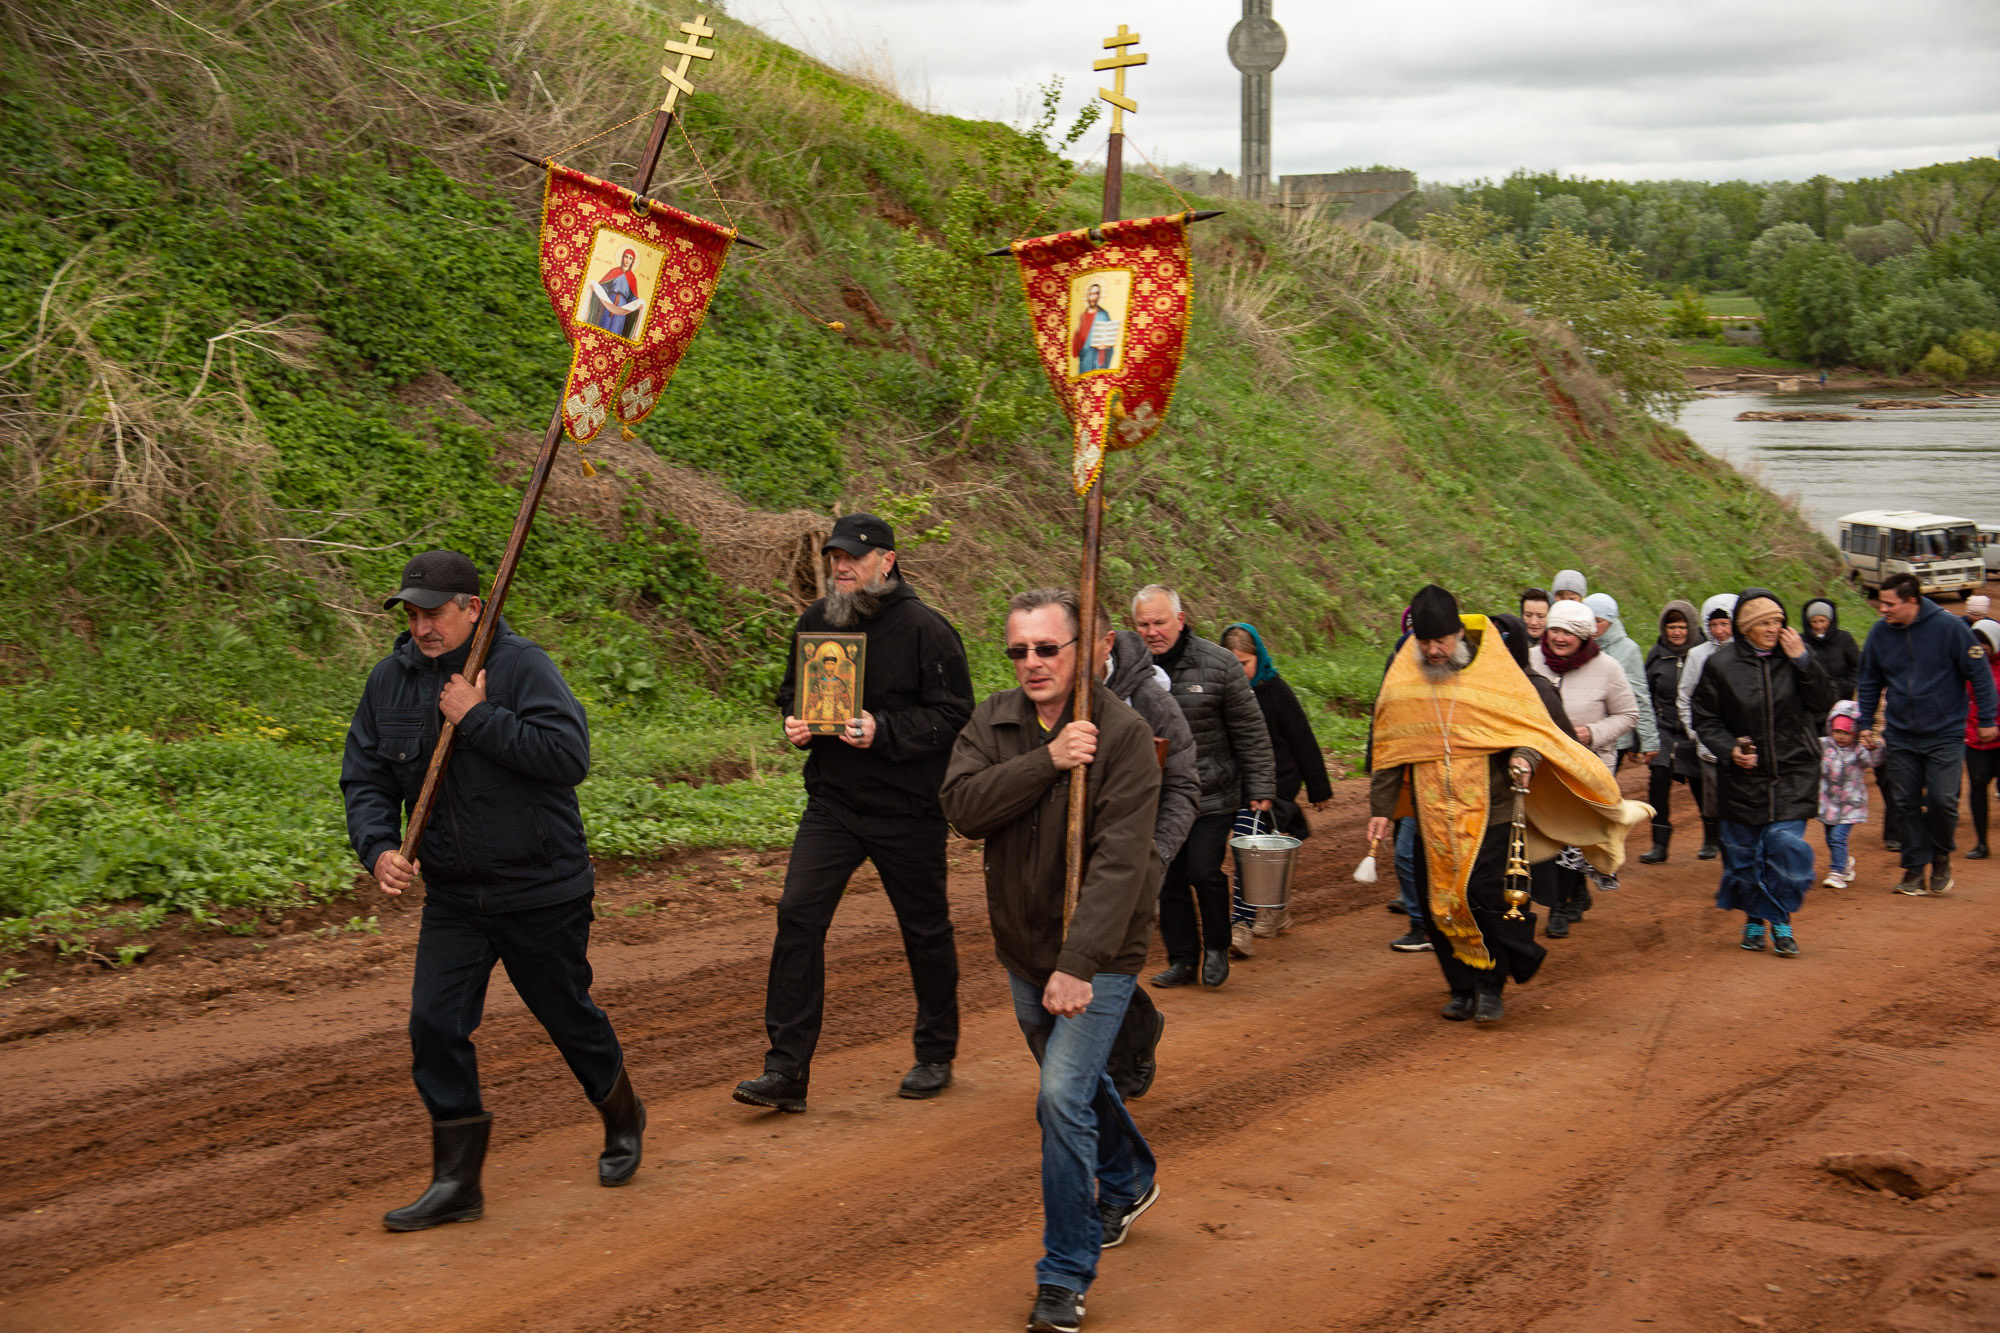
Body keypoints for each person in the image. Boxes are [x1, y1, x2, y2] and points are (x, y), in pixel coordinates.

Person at [342, 550, 643, 1231]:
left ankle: (623, 1115)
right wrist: (379, 847)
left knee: (567, 1014)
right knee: (434, 1023)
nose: (422, 627)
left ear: (473, 609)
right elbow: (364, 778)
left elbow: (570, 757)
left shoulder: (521, 666)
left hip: (540, 886)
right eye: (413, 614)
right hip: (455, 896)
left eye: (435, 613)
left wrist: (478, 716)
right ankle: (458, 1182)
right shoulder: (387, 683)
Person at [940, 588, 1162, 1333]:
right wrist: (1046, 761)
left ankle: (1064, 1274)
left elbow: (1120, 864)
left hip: (1099, 954)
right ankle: (1129, 1175)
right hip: (1023, 946)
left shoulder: (1124, 734)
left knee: (1060, 1098)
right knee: (1075, 1082)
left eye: (1047, 647)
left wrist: (1079, 962)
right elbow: (964, 807)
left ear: (1087, 646)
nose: (1032, 662)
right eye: (1019, 650)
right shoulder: (996, 720)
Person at [736, 514, 974, 1113]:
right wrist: (796, 721)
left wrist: (884, 728)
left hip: (908, 810)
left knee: (924, 929)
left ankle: (935, 1051)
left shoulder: (927, 629)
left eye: (854, 557)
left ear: (886, 562)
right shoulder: (817, 622)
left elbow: (953, 716)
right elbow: (793, 690)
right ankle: (786, 1070)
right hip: (835, 804)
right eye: (836, 556)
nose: (841, 566)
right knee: (797, 915)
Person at [1366, 585, 1646, 1023]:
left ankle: (1490, 984)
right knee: (1438, 901)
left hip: (1492, 812)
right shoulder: (1405, 679)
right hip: (1431, 815)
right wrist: (1381, 810)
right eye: (1424, 643)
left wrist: (1524, 757)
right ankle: (1461, 986)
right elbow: (1390, 748)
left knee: (1487, 898)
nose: (1433, 651)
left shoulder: (1495, 671)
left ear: (1459, 633)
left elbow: (1531, 730)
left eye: (1441, 641)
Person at [1131, 585, 1275, 989]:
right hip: (1156, 796)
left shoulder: (1219, 663)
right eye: (1142, 624)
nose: (1151, 631)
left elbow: (1250, 729)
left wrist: (1261, 784)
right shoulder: (1129, 670)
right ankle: (1182, 959)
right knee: (1167, 875)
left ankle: (1216, 946)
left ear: (1179, 619)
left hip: (1212, 791)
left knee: (1203, 870)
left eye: (1159, 622)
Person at [1692, 591, 1837, 955]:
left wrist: (1803, 661)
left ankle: (1782, 921)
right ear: (1746, 629)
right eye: (1764, 624)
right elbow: (1705, 719)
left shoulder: (1797, 657)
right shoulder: (1721, 666)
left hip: (1794, 771)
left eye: (1777, 621)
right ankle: (1755, 921)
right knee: (1743, 856)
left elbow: (1824, 703)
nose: (1773, 629)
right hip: (1743, 779)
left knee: (1784, 848)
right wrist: (1730, 750)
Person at [1093, 609, 1200, 1101]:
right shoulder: (1053, 697)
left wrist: (1154, 854)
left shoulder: (1149, 698)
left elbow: (1181, 781)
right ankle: (1137, 1024)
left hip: (1133, 853)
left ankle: (1128, 1046)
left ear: (1106, 643)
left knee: (1107, 958)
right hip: (1074, 849)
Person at [1854, 572, 1999, 897]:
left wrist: (1987, 718)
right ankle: (1915, 868)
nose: (1883, 609)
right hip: (1901, 735)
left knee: (1942, 801)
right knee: (1904, 803)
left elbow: (1980, 674)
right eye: (1881, 603)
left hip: (1945, 734)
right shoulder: (1880, 634)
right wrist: (1865, 723)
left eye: (1889, 604)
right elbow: (1869, 681)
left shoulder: (1950, 629)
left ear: (1912, 601)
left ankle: (1941, 855)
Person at [1218, 623, 1334, 954]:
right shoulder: (1222, 693)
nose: (1239, 671)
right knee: (1257, 848)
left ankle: (1245, 922)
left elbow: (1302, 739)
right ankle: (1271, 910)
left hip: (1278, 783)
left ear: (1259, 659)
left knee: (1253, 846)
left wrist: (1318, 787)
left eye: (1244, 663)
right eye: (1232, 664)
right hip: (1236, 785)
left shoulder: (1275, 690)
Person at [1530, 600, 1640, 935]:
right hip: (1540, 766)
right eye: (1555, 630)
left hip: (1588, 766)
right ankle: (1571, 893)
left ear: (1584, 636)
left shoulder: (1607, 668)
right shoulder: (1529, 660)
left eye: (1569, 633)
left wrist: (1592, 733)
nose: (1560, 638)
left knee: (1573, 837)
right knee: (1542, 837)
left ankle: (1561, 907)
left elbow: (1628, 714)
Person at [1676, 594, 1739, 860]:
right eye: (1714, 625)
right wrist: (1696, 734)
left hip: (1742, 741)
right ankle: (1719, 845)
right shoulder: (1697, 655)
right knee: (1715, 801)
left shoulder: (1744, 654)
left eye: (1725, 624)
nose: (1720, 631)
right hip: (1710, 743)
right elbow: (1685, 695)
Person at [1640, 600, 1701, 864]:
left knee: (1703, 786)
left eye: (1682, 626)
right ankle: (1659, 844)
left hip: (1695, 730)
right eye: (1672, 626)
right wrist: (1643, 736)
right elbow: (1645, 695)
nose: (1677, 632)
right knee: (1658, 783)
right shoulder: (1656, 654)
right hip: (1664, 729)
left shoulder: (1701, 654)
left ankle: (1712, 838)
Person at [1584, 592, 1660, 767]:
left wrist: (1649, 740)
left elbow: (1639, 695)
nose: (1593, 627)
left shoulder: (1628, 650)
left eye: (1599, 621)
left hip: (1615, 737)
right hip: (1581, 731)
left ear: (1611, 621)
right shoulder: (1577, 644)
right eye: (1590, 620)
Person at [1819, 700, 1884, 887]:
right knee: (1830, 837)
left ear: (1854, 733)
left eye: (1846, 733)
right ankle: (1845, 863)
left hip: (1849, 804)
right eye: (1837, 731)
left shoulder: (1859, 750)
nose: (1840, 737)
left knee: (1838, 837)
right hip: (1828, 803)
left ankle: (1837, 872)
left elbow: (1875, 762)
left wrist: (1875, 747)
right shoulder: (1824, 746)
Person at [1967, 620, 2000, 860]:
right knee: (1978, 784)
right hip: (1975, 736)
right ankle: (1981, 843)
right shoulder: (1967, 665)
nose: (1982, 647)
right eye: (1977, 642)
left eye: (1986, 642)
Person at [1801, 598, 1860, 702]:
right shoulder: (1801, 641)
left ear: (1830, 620)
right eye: (1814, 622)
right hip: (1814, 699)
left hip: (1843, 698)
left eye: (1822, 621)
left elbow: (1857, 664)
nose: (1819, 626)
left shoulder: (1844, 638)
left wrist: (1849, 686)